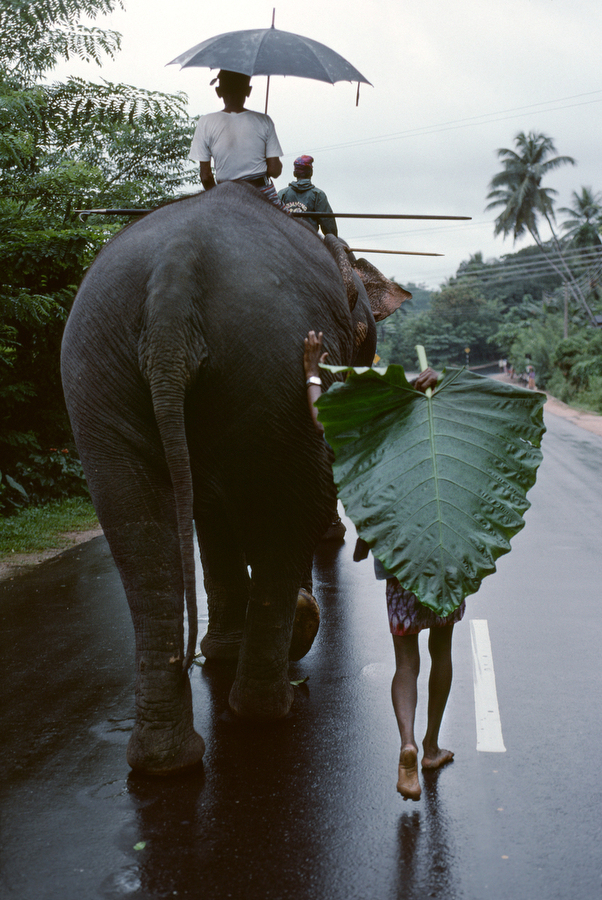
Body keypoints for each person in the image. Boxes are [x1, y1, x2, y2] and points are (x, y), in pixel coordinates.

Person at [303, 330, 462, 802]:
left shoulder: (379, 424)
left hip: (400, 556)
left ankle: (408, 743)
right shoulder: (438, 420)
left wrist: (312, 369)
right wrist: (445, 381)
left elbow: (321, 421)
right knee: (443, 650)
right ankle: (431, 746)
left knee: (406, 660)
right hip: (445, 551)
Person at [189, 69, 284, 206]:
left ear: (218, 91)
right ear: (248, 91)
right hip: (262, 194)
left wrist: (220, 200)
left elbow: (206, 177)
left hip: (226, 195)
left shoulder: (205, 121)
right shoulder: (264, 120)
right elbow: (274, 171)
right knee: (291, 225)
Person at [278, 155, 338, 235]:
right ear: (311, 173)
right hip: (309, 241)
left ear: (294, 173)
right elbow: (329, 226)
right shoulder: (318, 195)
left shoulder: (282, 194)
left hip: (285, 239)